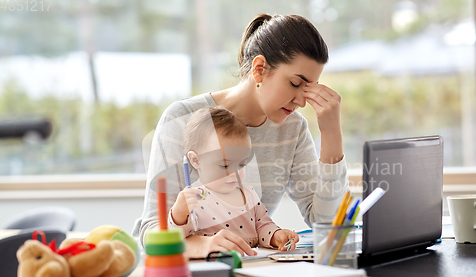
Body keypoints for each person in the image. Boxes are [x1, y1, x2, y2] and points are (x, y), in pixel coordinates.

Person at [132, 13, 349, 258]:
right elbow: (151, 232)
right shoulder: (182, 118)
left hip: (252, 271)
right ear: (259, 69)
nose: (302, 101)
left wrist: (332, 135)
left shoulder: (293, 128)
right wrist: (204, 245)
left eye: (309, 88)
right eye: (295, 84)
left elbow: (329, 224)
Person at [168, 106, 298, 255]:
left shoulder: (248, 193)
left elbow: (262, 226)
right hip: (215, 269)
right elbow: (177, 239)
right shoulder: (194, 197)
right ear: (196, 160)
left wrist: (276, 235)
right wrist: (179, 214)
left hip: (252, 265)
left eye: (241, 164)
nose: (234, 174)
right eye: (225, 165)